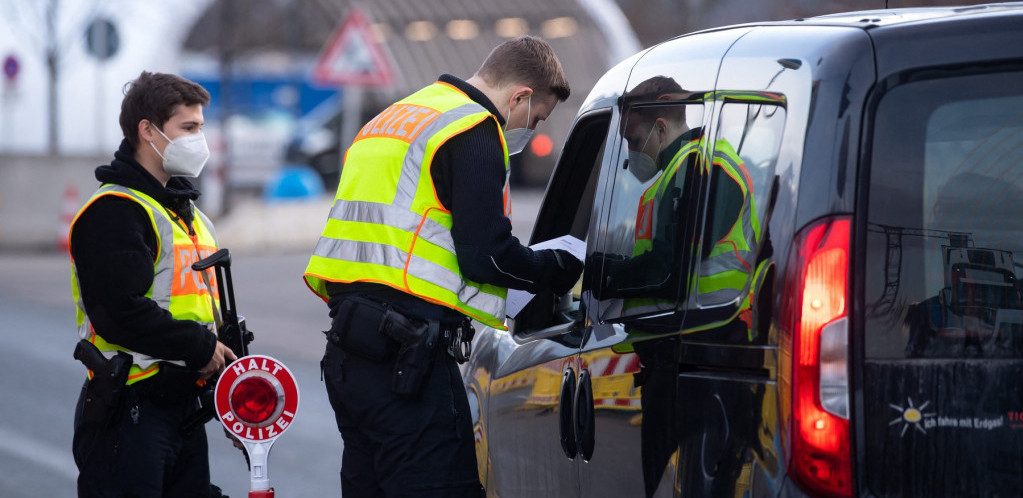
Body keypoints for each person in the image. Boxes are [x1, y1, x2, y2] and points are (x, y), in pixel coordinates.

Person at [304, 36, 584, 497]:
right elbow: (486, 255)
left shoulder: (394, 116)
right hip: (404, 358)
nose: (529, 129)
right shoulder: (472, 129)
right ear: (520, 97)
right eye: (535, 119)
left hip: (349, 355)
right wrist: (558, 267)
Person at [69, 71, 237, 497]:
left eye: (201, 127)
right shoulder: (115, 211)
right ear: (148, 130)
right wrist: (198, 346)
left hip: (182, 404)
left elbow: (198, 305)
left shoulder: (186, 212)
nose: (200, 139)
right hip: (130, 407)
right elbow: (118, 311)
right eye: (189, 128)